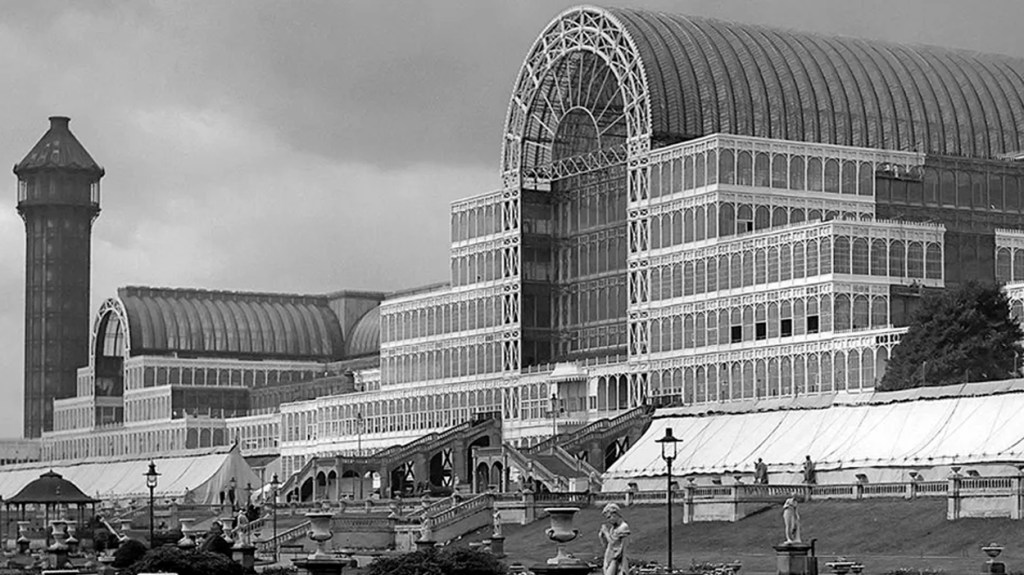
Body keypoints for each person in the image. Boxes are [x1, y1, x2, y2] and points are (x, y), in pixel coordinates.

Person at [598, 503, 630, 575]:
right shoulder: (613, 528)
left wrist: (606, 533)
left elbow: (616, 545)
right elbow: (607, 545)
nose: (608, 520)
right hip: (609, 556)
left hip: (616, 559)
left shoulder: (623, 527)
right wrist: (602, 537)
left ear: (615, 514)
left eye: (609, 517)